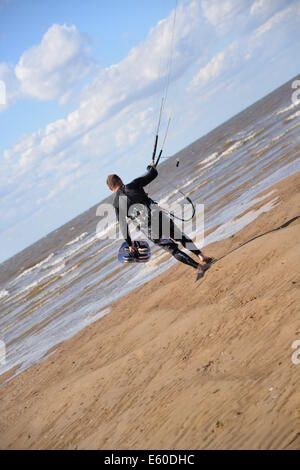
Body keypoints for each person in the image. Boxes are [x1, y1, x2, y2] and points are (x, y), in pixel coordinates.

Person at [106, 165, 213, 277]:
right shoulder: (133, 184)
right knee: (180, 236)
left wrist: (129, 244)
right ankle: (201, 256)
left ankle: (198, 267)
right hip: (157, 216)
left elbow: (123, 226)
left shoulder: (117, 204)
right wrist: (150, 168)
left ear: (110, 188)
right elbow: (153, 174)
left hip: (148, 228)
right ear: (120, 180)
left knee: (172, 249)